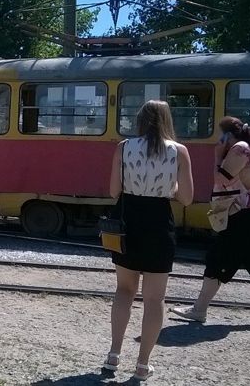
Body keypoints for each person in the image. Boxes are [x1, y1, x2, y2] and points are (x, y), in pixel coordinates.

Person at [102, 100, 193, 381]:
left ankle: (113, 355)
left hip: (128, 222)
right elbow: (187, 198)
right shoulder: (179, 152)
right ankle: (142, 365)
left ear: (140, 119)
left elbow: (113, 191)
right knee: (155, 300)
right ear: (167, 120)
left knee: (123, 291)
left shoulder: (124, 147)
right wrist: (169, 186)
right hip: (159, 224)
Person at [170, 116, 250, 326]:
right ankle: (199, 308)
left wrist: (217, 156)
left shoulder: (239, 149)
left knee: (217, 257)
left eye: (222, 134)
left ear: (229, 135)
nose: (220, 139)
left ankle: (199, 310)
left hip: (242, 213)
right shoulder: (244, 147)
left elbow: (221, 178)